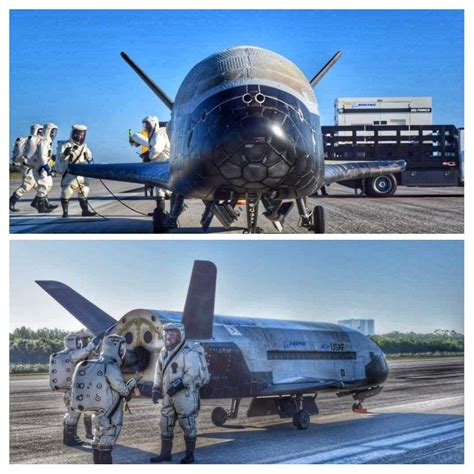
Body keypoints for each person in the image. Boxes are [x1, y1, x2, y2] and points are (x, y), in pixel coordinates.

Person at [71, 334, 137, 464]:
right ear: (117, 348)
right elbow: (120, 387)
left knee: (97, 439)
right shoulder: (111, 366)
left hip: (96, 412)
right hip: (110, 413)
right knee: (107, 441)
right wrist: (130, 387)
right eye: (121, 347)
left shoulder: (96, 363)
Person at [150, 323, 210, 464]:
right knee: (165, 423)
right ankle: (165, 454)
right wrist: (156, 388)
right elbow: (158, 372)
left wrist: (179, 385)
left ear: (180, 335)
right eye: (167, 333)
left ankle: (190, 455)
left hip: (185, 394)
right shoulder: (164, 352)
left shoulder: (189, 352)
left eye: (173, 333)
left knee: (187, 423)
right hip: (168, 395)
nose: (169, 336)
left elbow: (193, 372)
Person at [49, 332, 102, 446]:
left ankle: (70, 437)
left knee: (71, 413)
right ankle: (70, 438)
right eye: (82, 341)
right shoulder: (71, 355)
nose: (83, 343)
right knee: (73, 414)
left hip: (69, 391)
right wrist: (94, 342)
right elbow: (85, 351)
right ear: (75, 342)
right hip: (72, 392)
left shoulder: (64, 354)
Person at [130, 115, 170, 210]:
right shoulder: (153, 135)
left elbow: (156, 149)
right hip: (158, 163)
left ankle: (174, 206)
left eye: (148, 124)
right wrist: (147, 154)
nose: (146, 126)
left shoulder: (159, 134)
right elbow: (152, 147)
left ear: (154, 123)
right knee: (159, 188)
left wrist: (148, 156)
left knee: (165, 187)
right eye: (145, 124)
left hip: (164, 163)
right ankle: (160, 210)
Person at [57, 124, 96, 218]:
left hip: (82, 174)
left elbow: (90, 157)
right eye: (78, 134)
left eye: (82, 135)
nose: (80, 136)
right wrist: (66, 153)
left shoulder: (84, 146)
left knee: (84, 191)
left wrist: (89, 158)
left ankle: (85, 211)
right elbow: (60, 158)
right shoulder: (65, 145)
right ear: (73, 134)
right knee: (67, 192)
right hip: (70, 173)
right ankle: (65, 212)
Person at [9, 124, 44, 212]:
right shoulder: (33, 141)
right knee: (26, 186)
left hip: (31, 167)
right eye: (40, 131)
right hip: (28, 168)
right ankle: (11, 203)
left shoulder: (29, 140)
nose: (41, 133)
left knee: (41, 186)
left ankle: (38, 203)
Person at [30, 123, 59, 213]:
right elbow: (42, 156)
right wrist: (47, 168)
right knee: (44, 185)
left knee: (49, 184)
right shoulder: (44, 141)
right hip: (41, 168)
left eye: (54, 132)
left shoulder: (47, 141)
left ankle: (37, 202)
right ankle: (41, 208)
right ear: (48, 131)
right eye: (52, 132)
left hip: (43, 167)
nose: (53, 134)